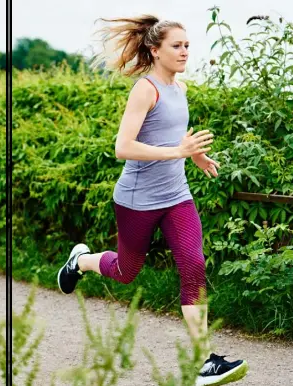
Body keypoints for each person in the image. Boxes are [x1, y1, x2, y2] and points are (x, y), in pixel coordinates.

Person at [57, 15, 248, 385]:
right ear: (155, 49)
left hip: (176, 196)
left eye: (187, 45)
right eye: (176, 46)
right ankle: (81, 260)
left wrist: (193, 155)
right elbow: (122, 147)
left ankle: (204, 361)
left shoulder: (181, 88)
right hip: (137, 200)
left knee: (194, 265)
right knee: (127, 273)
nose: (184, 52)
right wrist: (178, 151)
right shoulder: (146, 89)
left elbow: (172, 135)